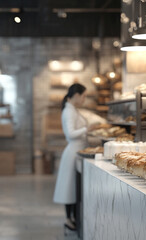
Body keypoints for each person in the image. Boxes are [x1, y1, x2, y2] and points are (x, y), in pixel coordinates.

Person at [53, 83, 96, 233]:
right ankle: (69, 220)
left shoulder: (72, 110)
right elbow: (70, 134)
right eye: (84, 96)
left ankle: (70, 219)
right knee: (69, 188)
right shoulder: (69, 111)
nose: (84, 99)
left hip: (77, 151)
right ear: (76, 95)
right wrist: (87, 129)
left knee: (71, 188)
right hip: (73, 152)